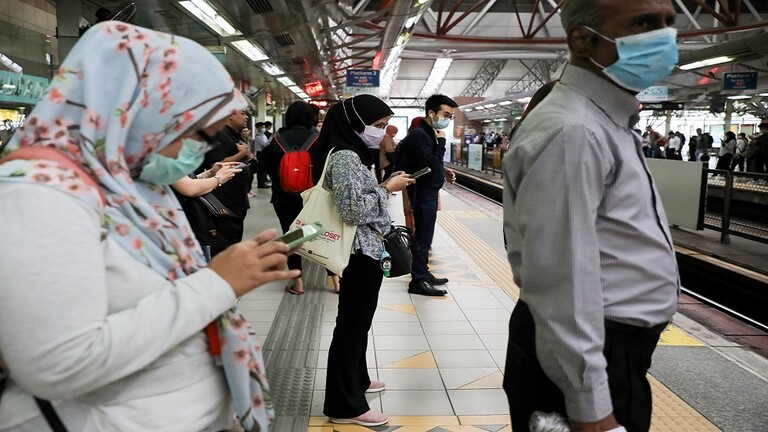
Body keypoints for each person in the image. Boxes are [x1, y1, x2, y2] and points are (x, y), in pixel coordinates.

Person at [0, 21, 300, 432]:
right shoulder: (40, 194)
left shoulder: (130, 181)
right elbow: (58, 363)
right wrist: (218, 283)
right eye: (198, 134)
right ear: (143, 109)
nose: (199, 150)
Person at [501, 1, 680, 431]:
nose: (664, 36)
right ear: (582, 40)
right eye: (643, 22)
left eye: (669, 23)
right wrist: (590, 408)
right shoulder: (575, 131)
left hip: (610, 352)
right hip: (592, 355)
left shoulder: (603, 121)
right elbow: (559, 280)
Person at [313, 95, 414, 427]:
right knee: (351, 326)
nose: (381, 132)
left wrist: (383, 186)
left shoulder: (351, 152)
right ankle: (344, 406)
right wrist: (387, 188)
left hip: (365, 250)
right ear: (354, 122)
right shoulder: (345, 156)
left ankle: (358, 379)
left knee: (358, 323)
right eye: (378, 125)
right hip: (357, 252)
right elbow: (353, 210)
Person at [395, 94, 458, 297]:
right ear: (432, 113)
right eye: (445, 114)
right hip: (422, 192)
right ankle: (418, 280)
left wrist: (443, 170)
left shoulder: (428, 132)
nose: (448, 119)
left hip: (428, 190)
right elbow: (430, 162)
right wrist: (442, 143)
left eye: (451, 116)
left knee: (426, 236)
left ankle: (423, 272)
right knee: (422, 236)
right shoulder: (420, 135)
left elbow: (428, 162)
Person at [263, 101, 317, 295]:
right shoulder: (317, 139)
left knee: (291, 236)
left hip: (283, 198)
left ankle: (298, 282)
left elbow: (268, 167)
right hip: (311, 197)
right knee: (320, 233)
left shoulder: (276, 140)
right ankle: (336, 280)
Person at [198, 108, 253, 256]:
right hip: (226, 200)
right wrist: (241, 153)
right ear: (231, 115)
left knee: (233, 239)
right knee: (226, 241)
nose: (246, 117)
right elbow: (217, 163)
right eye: (243, 113)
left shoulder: (231, 135)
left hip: (235, 197)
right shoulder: (220, 134)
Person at [253, 122, 271, 188]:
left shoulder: (264, 135)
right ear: (258, 128)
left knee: (264, 168)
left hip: (264, 153)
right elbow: (265, 144)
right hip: (260, 153)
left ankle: (263, 181)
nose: (264, 128)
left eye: (264, 127)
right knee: (261, 168)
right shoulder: (258, 136)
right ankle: (261, 183)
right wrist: (271, 138)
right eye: (262, 127)